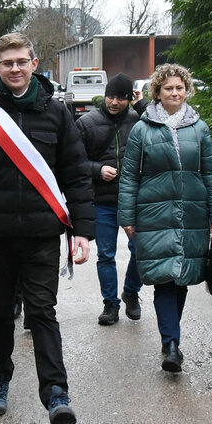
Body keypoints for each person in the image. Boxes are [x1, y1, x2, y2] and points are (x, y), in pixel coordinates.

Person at [0, 32, 94, 424]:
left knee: (43, 311)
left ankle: (57, 394)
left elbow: (77, 174)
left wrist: (82, 230)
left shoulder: (58, 114)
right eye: (6, 62)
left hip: (43, 235)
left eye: (21, 61)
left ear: (34, 63)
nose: (14, 68)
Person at [118, 64, 212, 374]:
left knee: (183, 277)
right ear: (157, 92)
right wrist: (127, 216)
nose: (174, 93)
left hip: (193, 211)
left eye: (179, 88)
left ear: (187, 90)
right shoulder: (142, 129)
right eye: (168, 88)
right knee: (164, 277)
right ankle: (172, 344)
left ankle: (170, 339)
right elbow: (128, 176)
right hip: (153, 212)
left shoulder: (199, 129)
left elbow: (210, 173)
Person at [76, 73, 144, 325]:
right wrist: (97, 170)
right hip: (102, 199)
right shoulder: (86, 122)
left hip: (132, 198)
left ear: (129, 98)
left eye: (121, 98)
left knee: (139, 249)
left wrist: (142, 104)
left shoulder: (139, 120)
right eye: (111, 96)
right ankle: (110, 304)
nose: (114, 102)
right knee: (105, 254)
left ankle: (131, 292)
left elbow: (163, 129)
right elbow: (74, 161)